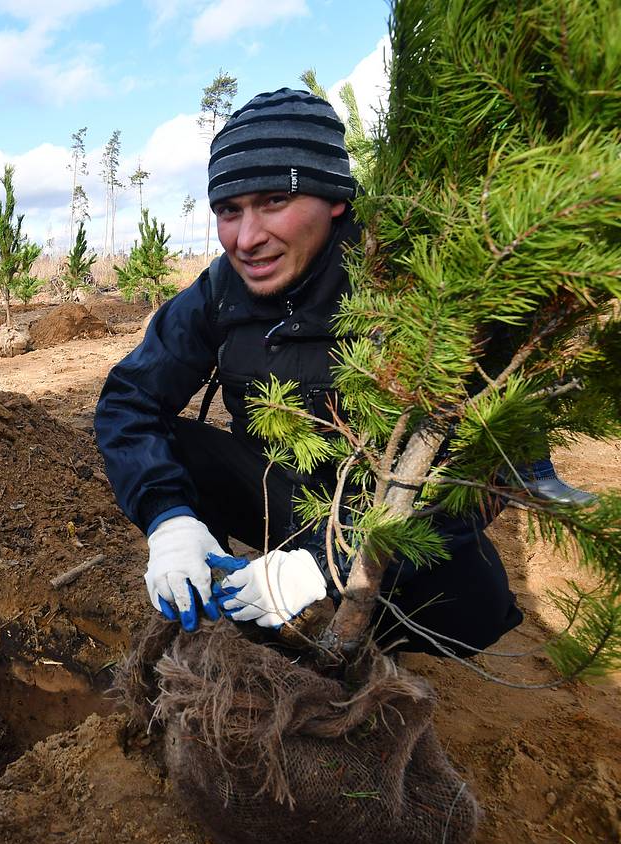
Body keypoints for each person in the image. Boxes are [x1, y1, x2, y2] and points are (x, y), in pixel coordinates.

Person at [95, 88, 522, 657]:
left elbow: (487, 473)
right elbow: (129, 401)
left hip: (386, 518)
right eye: (229, 210)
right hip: (278, 497)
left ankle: (352, 632)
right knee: (172, 446)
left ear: (335, 199)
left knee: (473, 606)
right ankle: (231, 610)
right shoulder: (221, 290)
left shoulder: (417, 289)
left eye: (274, 201)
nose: (246, 239)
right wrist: (168, 519)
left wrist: (329, 568)